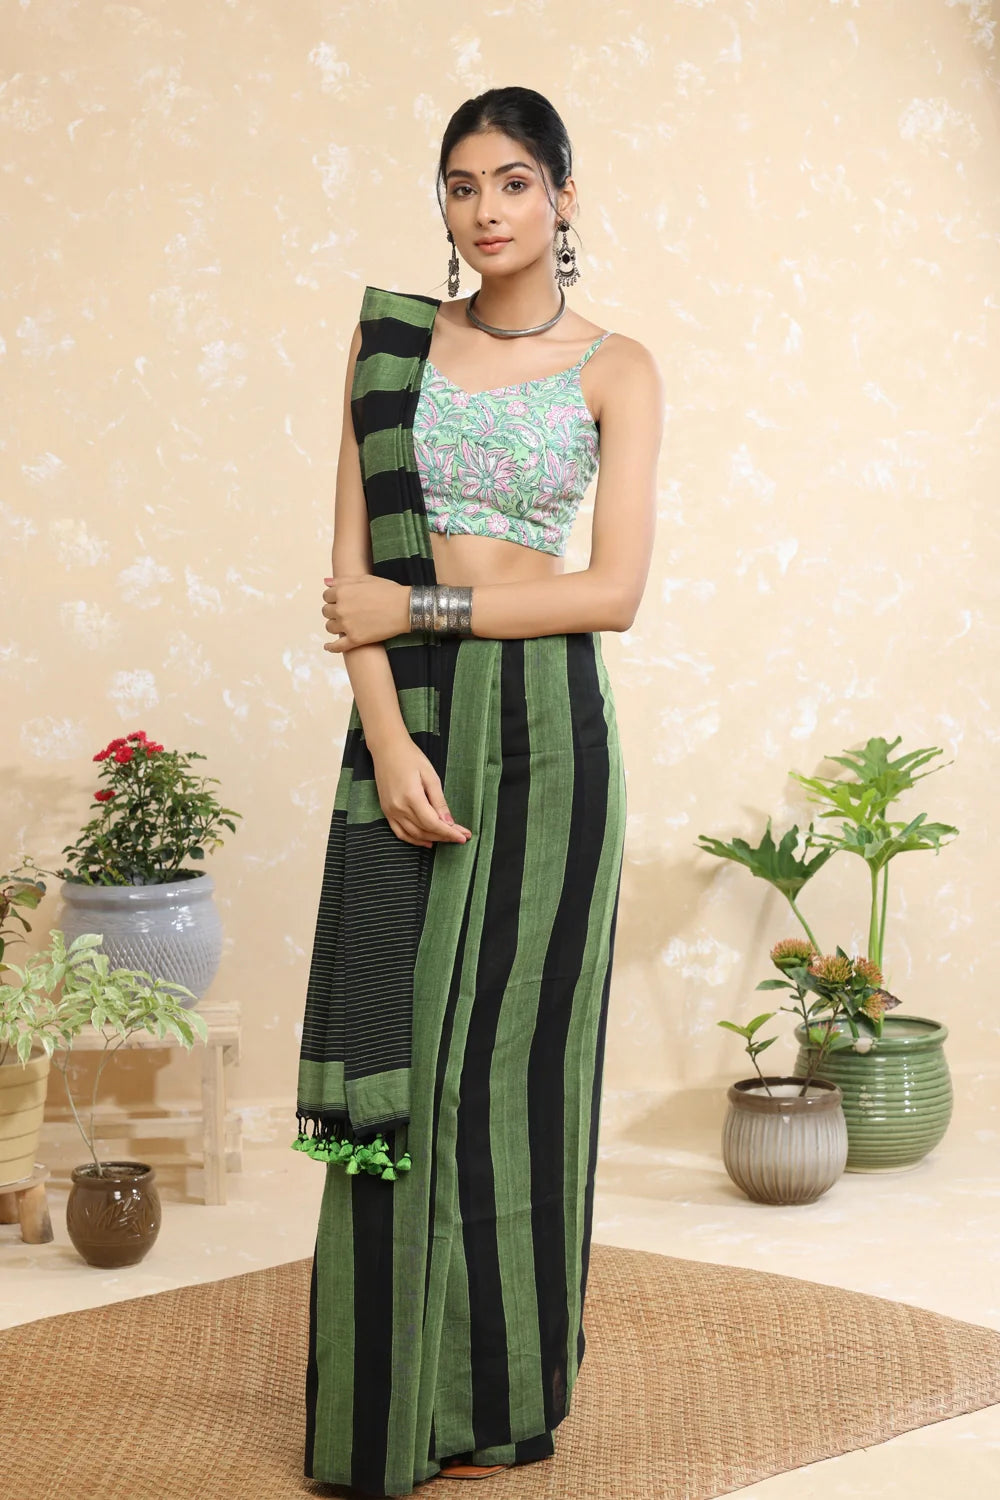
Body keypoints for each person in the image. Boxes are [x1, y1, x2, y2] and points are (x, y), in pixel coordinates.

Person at [292, 85, 663, 1497]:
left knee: (523, 1069)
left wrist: (423, 610)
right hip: (418, 720)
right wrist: (388, 742)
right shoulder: (391, 348)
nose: (487, 209)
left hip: (556, 731)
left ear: (563, 196)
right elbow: (351, 586)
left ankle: (500, 1398)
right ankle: (387, 1412)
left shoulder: (619, 368)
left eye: (513, 181)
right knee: (403, 1061)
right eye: (462, 185)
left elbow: (610, 593)